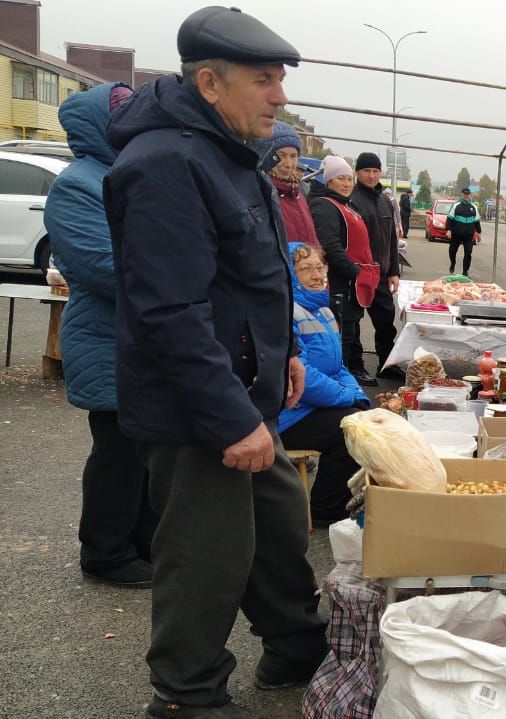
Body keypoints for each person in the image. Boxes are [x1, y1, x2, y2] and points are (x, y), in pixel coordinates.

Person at [103, 7, 328, 717]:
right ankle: (187, 694)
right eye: (264, 81)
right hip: (194, 410)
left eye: (281, 81)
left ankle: (295, 645)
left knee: (278, 525)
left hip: (245, 389)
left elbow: (258, 276)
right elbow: (168, 310)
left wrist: (285, 353)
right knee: (206, 554)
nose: (280, 97)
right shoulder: (165, 163)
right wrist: (233, 418)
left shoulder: (231, 152)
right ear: (209, 82)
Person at [45, 81, 158, 588]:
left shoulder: (129, 174)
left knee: (146, 451)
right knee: (116, 451)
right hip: (107, 337)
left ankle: (142, 544)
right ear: (101, 125)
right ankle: (105, 553)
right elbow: (101, 267)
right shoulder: (80, 184)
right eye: (123, 117)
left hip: (144, 336)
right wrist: (174, 274)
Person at [278, 243, 371, 525]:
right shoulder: (285, 312)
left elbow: (338, 366)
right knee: (351, 431)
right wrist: (347, 397)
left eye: (320, 267)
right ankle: (326, 511)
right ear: (289, 275)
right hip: (286, 416)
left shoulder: (324, 311)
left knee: (366, 422)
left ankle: (343, 500)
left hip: (313, 407)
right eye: (306, 269)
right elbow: (303, 376)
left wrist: (355, 393)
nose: (317, 275)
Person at [310, 155, 380, 387]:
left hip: (353, 284)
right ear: (329, 181)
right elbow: (329, 245)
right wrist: (354, 272)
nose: (347, 183)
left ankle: (346, 375)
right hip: (340, 284)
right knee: (340, 336)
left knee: (350, 331)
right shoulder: (324, 205)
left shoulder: (343, 204)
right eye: (341, 178)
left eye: (349, 179)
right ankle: (336, 382)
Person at [348, 152, 404, 382]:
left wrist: (393, 271)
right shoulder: (350, 199)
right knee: (353, 323)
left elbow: (392, 239)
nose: (371, 175)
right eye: (366, 171)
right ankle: (355, 366)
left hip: (380, 273)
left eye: (374, 171)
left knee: (385, 320)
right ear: (357, 172)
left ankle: (387, 363)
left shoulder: (386, 201)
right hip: (357, 273)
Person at [257, 120, 318, 247]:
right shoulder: (259, 194)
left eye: (293, 156)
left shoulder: (299, 195)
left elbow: (312, 240)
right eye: (281, 155)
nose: (288, 164)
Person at [445, 186, 482, 275]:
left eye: (467, 194)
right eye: (464, 194)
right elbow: (449, 219)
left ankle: (465, 271)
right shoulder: (456, 205)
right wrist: (448, 230)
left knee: (468, 253)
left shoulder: (473, 207)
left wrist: (479, 233)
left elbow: (476, 221)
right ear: (462, 194)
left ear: (470, 195)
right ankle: (453, 263)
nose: (466, 196)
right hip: (456, 234)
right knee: (452, 251)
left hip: (468, 235)